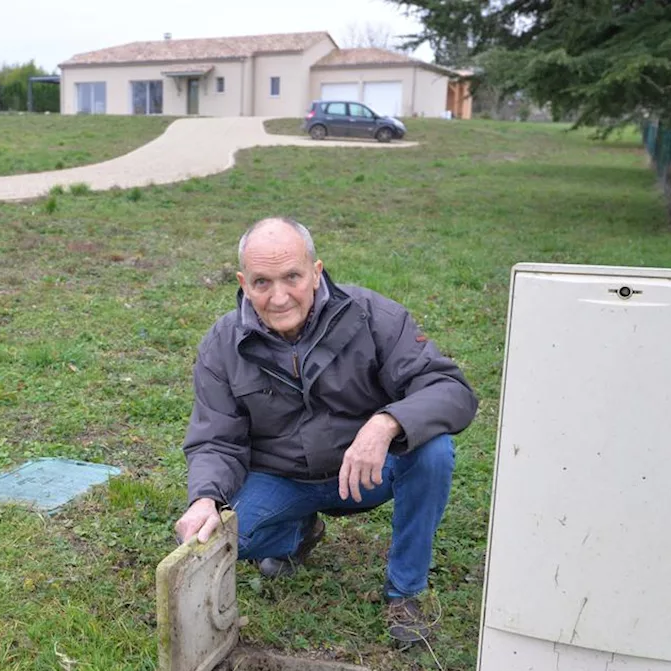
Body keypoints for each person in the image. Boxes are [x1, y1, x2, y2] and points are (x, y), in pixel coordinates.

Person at [174, 217, 478, 646]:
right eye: (261, 282)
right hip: (283, 478)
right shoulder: (222, 344)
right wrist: (205, 497)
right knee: (218, 541)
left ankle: (405, 590)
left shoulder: (374, 317)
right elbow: (215, 439)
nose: (278, 297)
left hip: (366, 473)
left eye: (292, 277)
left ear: (316, 272)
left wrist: (387, 423)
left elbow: (452, 391)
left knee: (433, 451)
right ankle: (299, 532)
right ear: (243, 283)